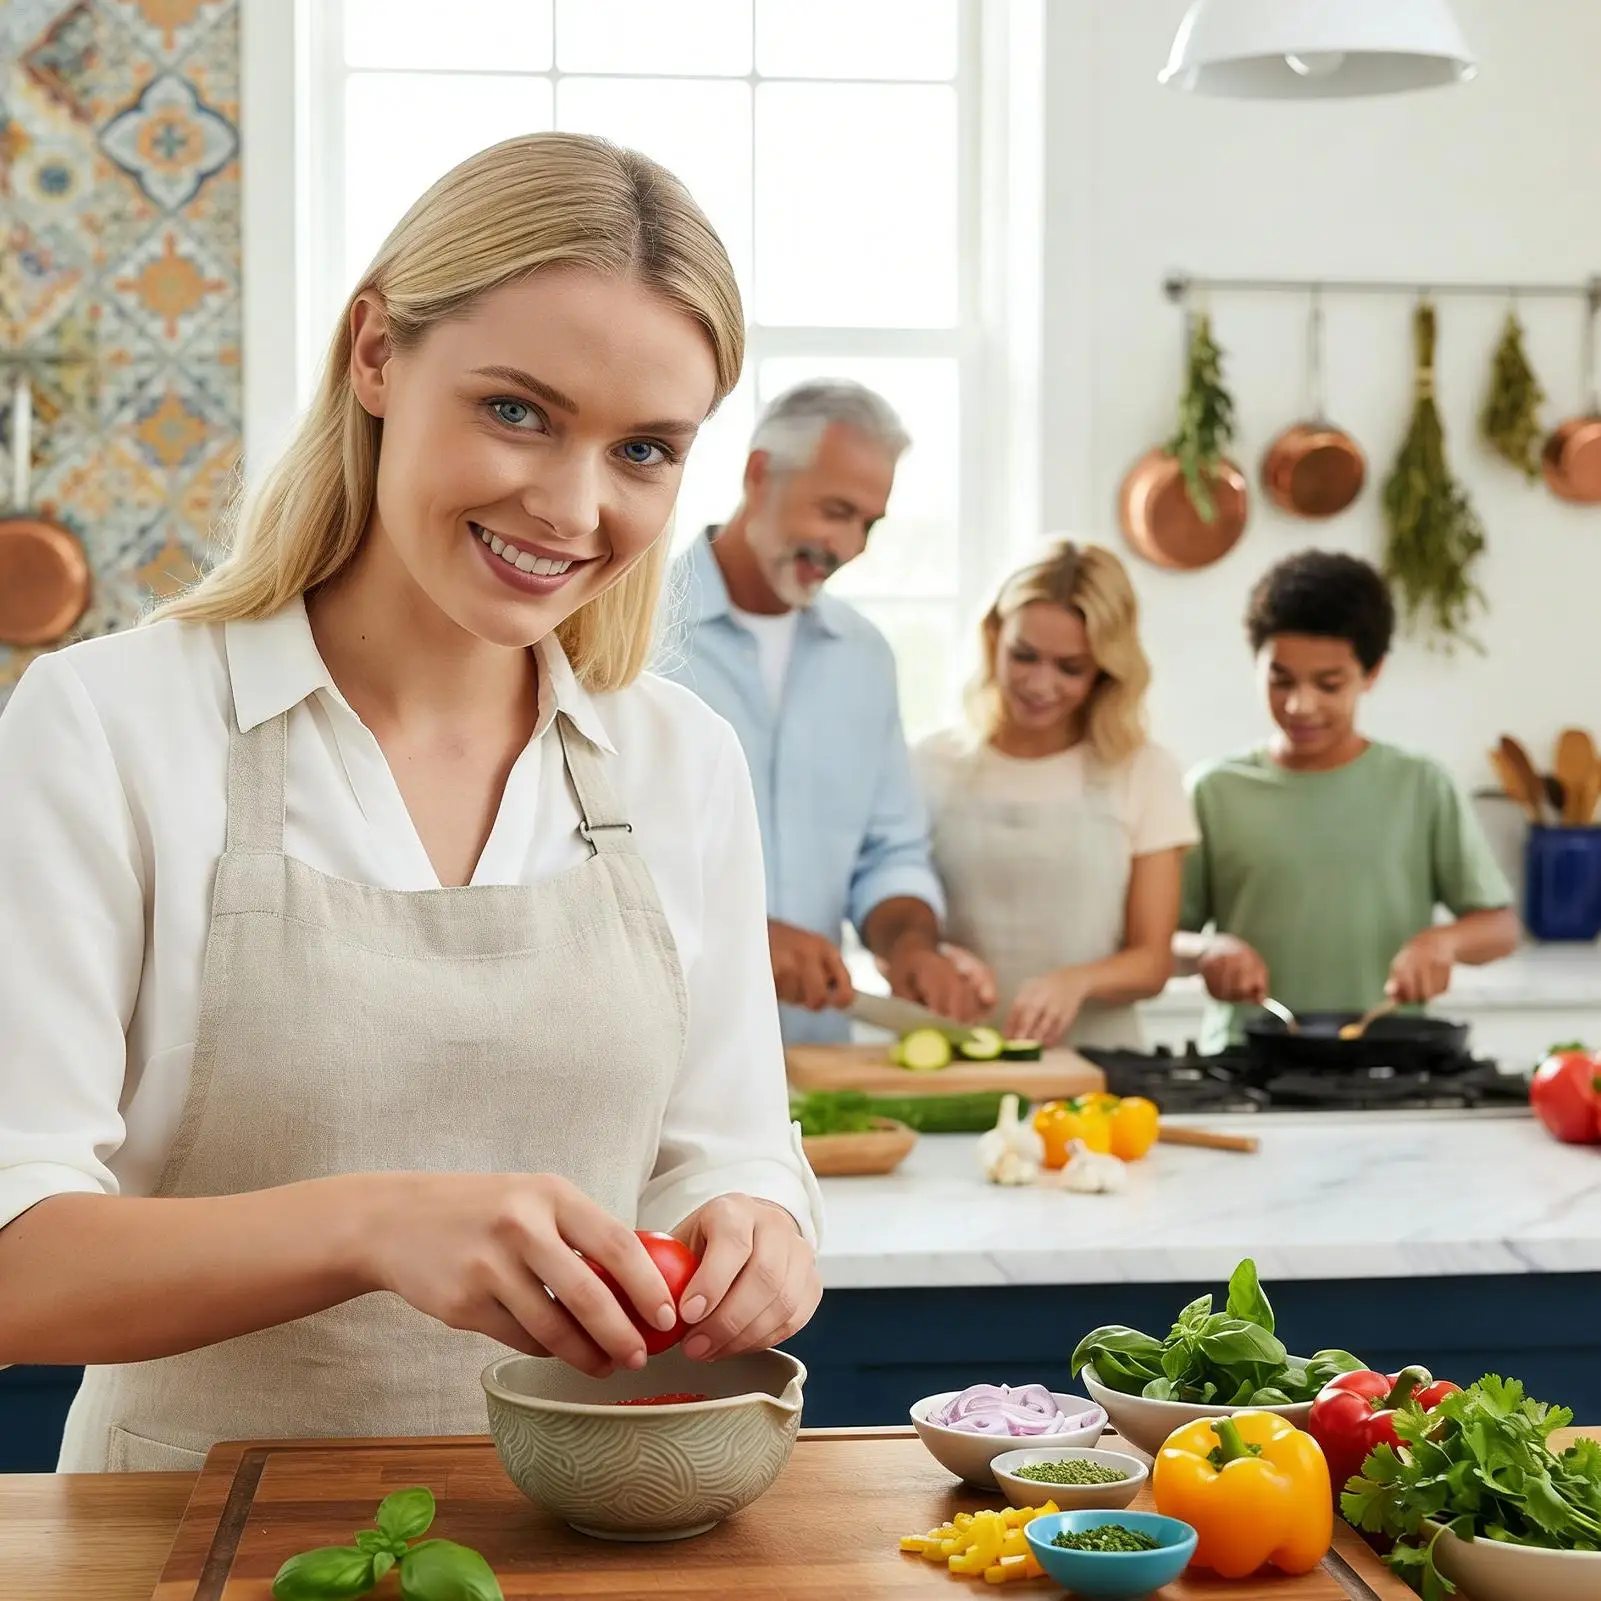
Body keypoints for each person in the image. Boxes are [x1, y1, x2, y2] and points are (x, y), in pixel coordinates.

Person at [0, 133, 824, 1473]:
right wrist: (372, 1224)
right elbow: (14, 1264)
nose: (570, 505)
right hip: (182, 1540)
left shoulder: (681, 761)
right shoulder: (108, 725)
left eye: (644, 450)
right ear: (375, 354)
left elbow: (727, 1152)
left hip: (581, 1542)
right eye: (516, 410)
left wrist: (758, 1227)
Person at [658, 381, 983, 1044]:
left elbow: (888, 850)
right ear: (758, 472)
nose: (850, 546)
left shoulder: (864, 659)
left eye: (869, 523)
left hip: (814, 1062)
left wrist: (912, 944)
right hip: (663, 1050)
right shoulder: (634, 636)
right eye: (835, 511)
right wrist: (741, 932)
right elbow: (587, 850)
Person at [1175, 549, 1518, 1050]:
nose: (1300, 705)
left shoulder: (1420, 786)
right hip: (1244, 1062)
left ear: (1372, 672)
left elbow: (1500, 927)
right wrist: (1207, 951)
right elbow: (1156, 944)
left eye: (1329, 684)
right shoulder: (1213, 790)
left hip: (1390, 1062)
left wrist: (1442, 943)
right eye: (1280, 679)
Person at [912, 541, 1196, 1049]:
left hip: (1100, 1070)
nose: (1040, 684)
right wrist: (933, 957)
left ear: (1107, 669)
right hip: (957, 1062)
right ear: (993, 637)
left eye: (1071, 668)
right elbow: (895, 920)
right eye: (1024, 656)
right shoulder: (931, 765)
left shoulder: (1145, 772)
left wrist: (1076, 981)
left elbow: (1152, 961)